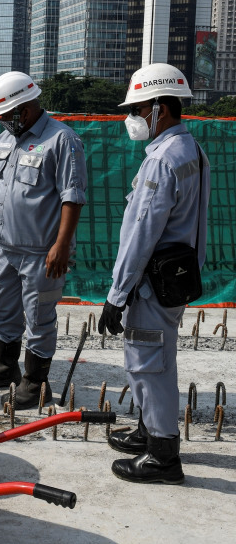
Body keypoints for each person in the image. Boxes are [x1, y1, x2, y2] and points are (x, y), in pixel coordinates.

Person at [98, 63, 210, 485]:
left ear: (160, 108)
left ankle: (163, 456)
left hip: (152, 283)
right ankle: (148, 432)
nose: (133, 118)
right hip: (174, 277)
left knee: (151, 365)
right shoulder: (191, 150)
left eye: (138, 108)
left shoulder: (162, 161)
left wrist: (117, 292)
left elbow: (141, 233)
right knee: (149, 358)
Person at [0, 71, 87, 408]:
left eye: (5, 115)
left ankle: (35, 382)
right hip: (7, 247)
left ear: (25, 109)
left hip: (42, 253)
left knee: (40, 316)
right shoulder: (5, 139)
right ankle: (4, 368)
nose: (1, 122)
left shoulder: (62, 140)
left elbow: (72, 198)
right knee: (5, 310)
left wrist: (61, 246)